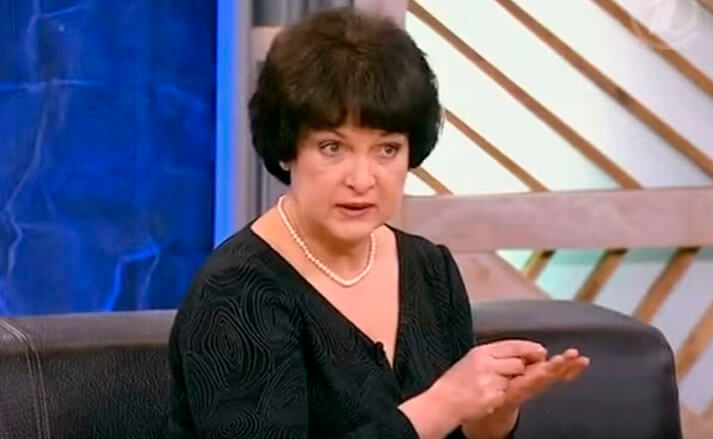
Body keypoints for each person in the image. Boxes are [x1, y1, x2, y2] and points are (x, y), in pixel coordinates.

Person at [166, 7, 589, 439]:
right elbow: (436, 413)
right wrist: (441, 404)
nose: (362, 180)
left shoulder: (430, 270)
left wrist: (492, 414)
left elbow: (456, 430)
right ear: (287, 149)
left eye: (387, 150)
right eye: (333, 148)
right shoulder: (235, 292)